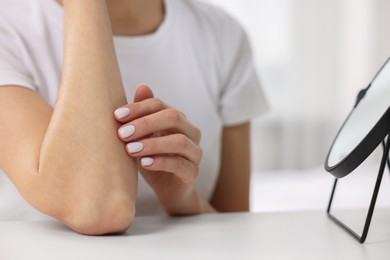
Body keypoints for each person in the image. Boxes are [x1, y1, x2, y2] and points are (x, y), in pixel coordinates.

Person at [0, 0, 267, 235]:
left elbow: (236, 239)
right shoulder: (8, 28)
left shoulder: (222, 35)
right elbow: (98, 208)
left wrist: (183, 201)